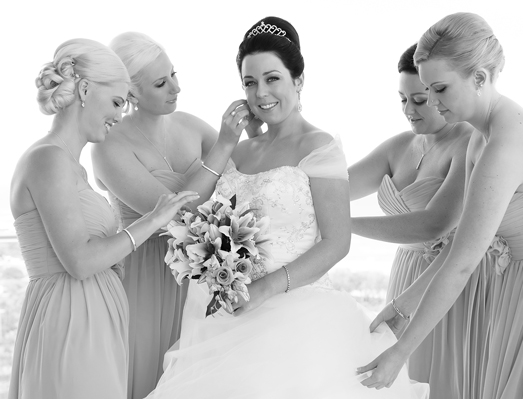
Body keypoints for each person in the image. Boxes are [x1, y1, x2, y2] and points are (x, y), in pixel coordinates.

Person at [145, 17, 428, 399]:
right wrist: (226, 142)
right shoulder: (237, 150)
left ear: (298, 80)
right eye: (249, 82)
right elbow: (184, 210)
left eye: (272, 78)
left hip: (295, 318)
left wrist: (265, 288)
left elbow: (336, 242)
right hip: (223, 320)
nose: (260, 93)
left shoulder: (320, 146)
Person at [358, 12, 523, 399]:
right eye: (426, 91)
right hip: (521, 281)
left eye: (440, 89)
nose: (433, 104)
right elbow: (462, 242)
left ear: (480, 78)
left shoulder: (504, 145)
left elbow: (463, 262)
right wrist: (404, 303)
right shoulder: (479, 136)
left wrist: (401, 352)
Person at [8, 38, 198, 399]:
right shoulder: (48, 159)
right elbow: (79, 261)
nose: (119, 114)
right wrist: (154, 219)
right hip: (71, 323)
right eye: (116, 102)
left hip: (94, 320)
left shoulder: (68, 164)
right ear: (83, 89)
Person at [91, 32, 255, 399]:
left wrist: (258, 131)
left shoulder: (188, 123)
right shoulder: (109, 147)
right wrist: (226, 142)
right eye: (161, 82)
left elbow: (247, 175)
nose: (176, 88)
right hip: (146, 277)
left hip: (206, 275)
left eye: (174, 74)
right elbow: (175, 214)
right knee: (149, 375)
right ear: (131, 93)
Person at [348, 43, 480, 399]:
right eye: (402, 100)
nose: (409, 110)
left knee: (442, 381)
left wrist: (343, 228)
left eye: (419, 100)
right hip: (403, 272)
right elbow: (333, 190)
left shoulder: (470, 145)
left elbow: (432, 224)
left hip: (443, 281)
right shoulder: (400, 145)